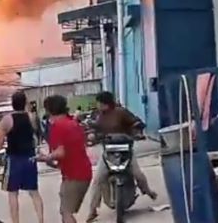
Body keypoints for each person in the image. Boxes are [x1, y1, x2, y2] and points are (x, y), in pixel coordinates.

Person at [85, 91, 156, 222]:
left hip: (125, 150)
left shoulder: (121, 112)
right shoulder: (99, 116)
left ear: (106, 103)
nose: (99, 105)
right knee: (97, 179)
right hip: (108, 152)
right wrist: (92, 136)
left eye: (100, 103)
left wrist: (137, 131)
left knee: (137, 173)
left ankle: (148, 191)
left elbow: (136, 122)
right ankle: (92, 210)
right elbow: (96, 130)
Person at [0, 91, 44, 223]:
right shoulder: (31, 117)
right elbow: (36, 134)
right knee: (34, 192)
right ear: (25, 102)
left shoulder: (7, 120)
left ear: (12, 103)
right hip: (30, 158)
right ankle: (41, 220)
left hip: (14, 159)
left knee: (13, 194)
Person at [36, 95, 92, 223]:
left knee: (66, 213)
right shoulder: (72, 123)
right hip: (81, 172)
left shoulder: (58, 126)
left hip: (75, 175)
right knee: (65, 211)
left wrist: (44, 157)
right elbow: (71, 150)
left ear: (49, 110)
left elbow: (60, 152)